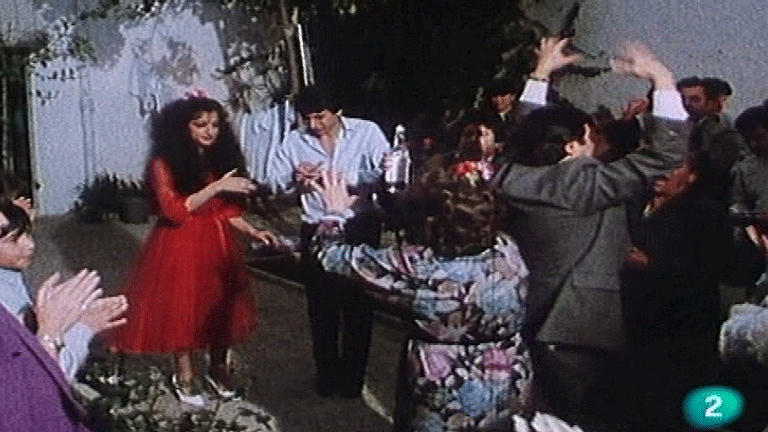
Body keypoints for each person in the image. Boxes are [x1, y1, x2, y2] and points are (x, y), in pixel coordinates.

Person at [494, 37, 689, 429]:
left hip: (524, 311)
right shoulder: (582, 183)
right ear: (572, 147)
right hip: (576, 326)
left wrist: (540, 74)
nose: (596, 146)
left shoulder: (509, 176)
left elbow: (521, 136)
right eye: (590, 138)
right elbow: (665, 155)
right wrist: (662, 78)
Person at [310, 168, 531, 431]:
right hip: (510, 372)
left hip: (446, 383)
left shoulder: (417, 266)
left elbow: (330, 257)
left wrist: (335, 214)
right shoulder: (507, 249)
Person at [114, 94, 277, 407]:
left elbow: (226, 211)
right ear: (182, 127)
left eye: (215, 124)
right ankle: (184, 374)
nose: (209, 131)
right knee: (184, 309)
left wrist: (253, 230)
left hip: (218, 245)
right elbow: (174, 210)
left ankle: (218, 369)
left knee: (222, 307)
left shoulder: (218, 161)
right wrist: (216, 187)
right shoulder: (162, 164)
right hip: (180, 244)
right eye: (200, 124)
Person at [263, 83, 390, 398]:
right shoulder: (295, 141)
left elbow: (386, 173)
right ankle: (327, 377)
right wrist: (296, 178)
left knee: (359, 304)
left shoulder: (367, 132)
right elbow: (273, 182)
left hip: (358, 226)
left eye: (320, 117)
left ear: (338, 113)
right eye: (307, 118)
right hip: (317, 226)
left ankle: (352, 380)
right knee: (322, 306)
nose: (314, 125)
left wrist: (348, 182)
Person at [622, 151, 729, 430]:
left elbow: (712, 268)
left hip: (684, 326)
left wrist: (653, 265)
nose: (664, 172)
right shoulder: (630, 204)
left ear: (692, 175)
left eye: (674, 167)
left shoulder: (706, 213)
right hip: (637, 323)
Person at [0, 201, 124, 431]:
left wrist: (80, 323)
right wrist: (55, 333)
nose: (30, 245)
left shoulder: (10, 278)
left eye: (28, 233)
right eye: (14, 239)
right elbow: (35, 389)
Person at [676, 76, 748, 202]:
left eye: (695, 99)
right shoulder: (683, 126)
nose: (687, 104)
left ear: (710, 102)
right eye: (683, 99)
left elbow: (719, 167)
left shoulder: (725, 128)